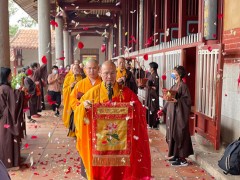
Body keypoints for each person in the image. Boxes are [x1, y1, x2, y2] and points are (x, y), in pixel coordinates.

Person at [75, 61, 151, 179]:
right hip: (100, 145)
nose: (109, 77)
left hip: (122, 145)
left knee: (120, 173)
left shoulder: (126, 93)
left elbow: (139, 109)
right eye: (106, 73)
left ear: (116, 74)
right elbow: (79, 109)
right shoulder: (93, 92)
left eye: (112, 73)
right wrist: (84, 107)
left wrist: (133, 107)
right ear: (100, 73)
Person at [158, 65, 193, 166]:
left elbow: (187, 101)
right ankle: (176, 155)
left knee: (180, 135)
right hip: (173, 115)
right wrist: (163, 110)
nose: (173, 74)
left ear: (180, 74)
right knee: (173, 135)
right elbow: (169, 100)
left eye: (174, 73)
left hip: (180, 116)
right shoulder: (175, 86)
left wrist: (178, 101)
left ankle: (183, 159)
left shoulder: (183, 86)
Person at [0, 67, 24, 169]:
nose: (11, 76)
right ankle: (12, 162)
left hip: (3, 118)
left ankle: (6, 161)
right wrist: (21, 92)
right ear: (6, 76)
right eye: (10, 75)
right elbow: (14, 102)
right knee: (9, 139)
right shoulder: (6, 88)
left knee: (4, 139)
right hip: (8, 117)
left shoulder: (2, 87)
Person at [70, 59, 102, 136]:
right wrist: (82, 105)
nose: (92, 71)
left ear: (98, 69)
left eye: (94, 68)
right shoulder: (79, 84)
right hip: (84, 116)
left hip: (100, 117)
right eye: (89, 68)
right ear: (85, 69)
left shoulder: (102, 83)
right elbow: (72, 100)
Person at [62, 64, 83, 136]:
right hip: (71, 100)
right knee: (72, 116)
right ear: (72, 70)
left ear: (80, 69)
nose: (76, 70)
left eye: (77, 68)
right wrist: (70, 86)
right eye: (74, 68)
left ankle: (79, 132)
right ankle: (72, 132)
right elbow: (64, 89)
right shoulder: (68, 78)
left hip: (79, 100)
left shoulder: (83, 78)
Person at [145, 62, 160, 129]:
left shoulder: (156, 76)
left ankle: (153, 123)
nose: (149, 68)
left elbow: (155, 87)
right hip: (149, 95)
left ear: (153, 69)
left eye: (150, 67)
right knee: (149, 108)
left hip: (153, 96)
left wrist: (149, 86)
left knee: (153, 109)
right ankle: (149, 123)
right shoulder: (151, 75)